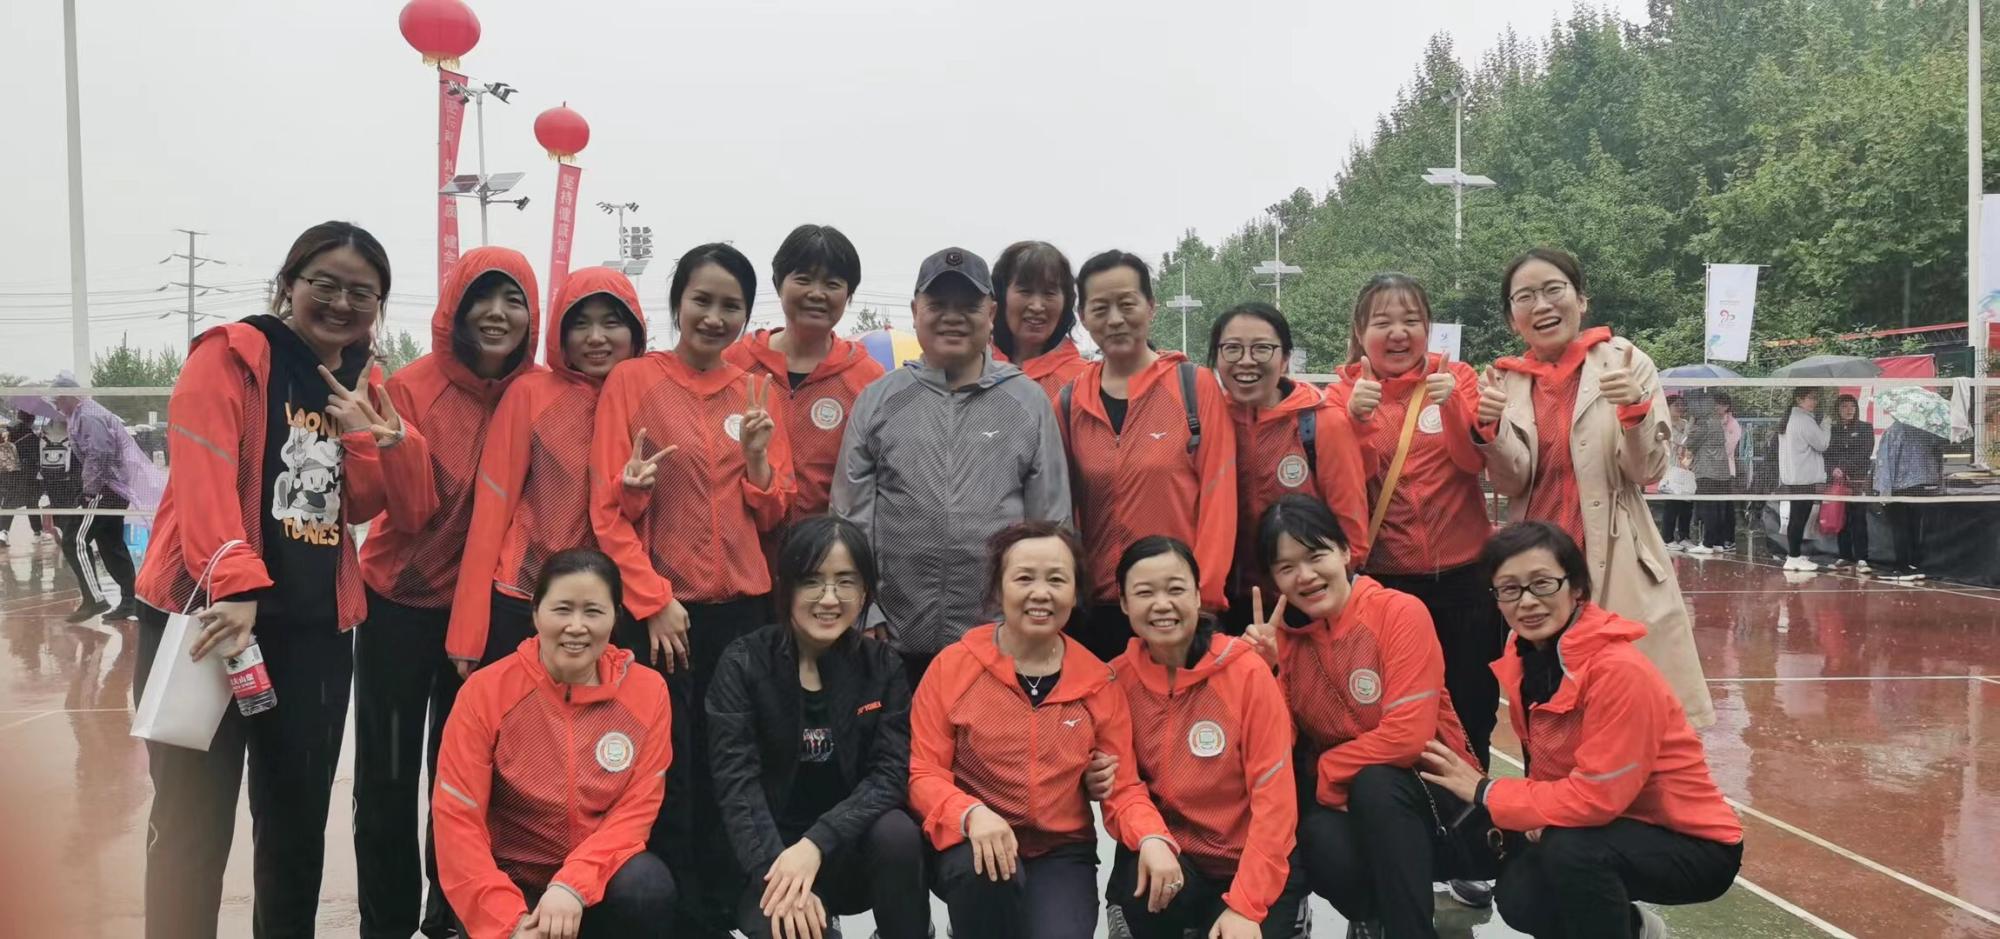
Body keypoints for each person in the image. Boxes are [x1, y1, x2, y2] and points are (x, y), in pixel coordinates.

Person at [132, 220, 416, 937]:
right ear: (289, 284)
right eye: (325, 284)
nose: (342, 303)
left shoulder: (365, 379)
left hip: (312, 631)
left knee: (295, 822)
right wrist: (235, 584)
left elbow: (368, 505)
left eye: (363, 292)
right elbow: (202, 476)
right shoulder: (230, 354)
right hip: (208, 619)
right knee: (190, 820)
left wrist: (365, 432)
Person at [590, 241, 793, 934]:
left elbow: (776, 513)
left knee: (734, 759)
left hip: (744, 613)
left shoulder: (755, 392)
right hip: (663, 614)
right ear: (677, 302)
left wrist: (759, 462)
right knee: (667, 762)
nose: (714, 316)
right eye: (701, 300)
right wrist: (653, 600)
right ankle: (670, 907)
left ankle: (728, 900)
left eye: (730, 305)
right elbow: (607, 512)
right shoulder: (633, 382)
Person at [1418, 522, 1744, 939]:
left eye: (1542, 583)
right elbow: (1547, 760)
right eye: (1510, 589)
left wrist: (1487, 791)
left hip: (1690, 841)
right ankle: (1634, 928)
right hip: (1603, 825)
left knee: (1570, 852)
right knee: (1520, 894)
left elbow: (1597, 799)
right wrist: (1539, 813)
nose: (1527, 601)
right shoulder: (1523, 654)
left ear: (1576, 588)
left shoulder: (1618, 672)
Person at [355, 245, 542, 939]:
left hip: (490, 614)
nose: (496, 313)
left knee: (465, 776)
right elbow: (397, 511)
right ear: (455, 309)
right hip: (400, 607)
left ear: (532, 314)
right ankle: (386, 921)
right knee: (388, 774)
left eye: (513, 300)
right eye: (480, 298)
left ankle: (452, 915)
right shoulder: (410, 388)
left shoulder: (536, 393)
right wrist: (395, 446)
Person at [1474, 247, 1713, 729]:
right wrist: (1490, 430)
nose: (1542, 305)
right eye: (1525, 297)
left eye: (1553, 290)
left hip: (1617, 554)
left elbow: (1647, 471)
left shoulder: (1625, 361)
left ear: (1581, 300)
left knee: (1628, 706)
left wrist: (1635, 415)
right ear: (1512, 318)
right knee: (1548, 702)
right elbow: (1511, 480)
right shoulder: (1506, 382)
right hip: (1539, 569)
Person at [908, 520, 1179, 939]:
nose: (1040, 593)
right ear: (998, 589)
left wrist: (1152, 838)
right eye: (1024, 579)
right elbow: (923, 772)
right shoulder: (953, 667)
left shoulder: (1097, 681)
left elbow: (1123, 787)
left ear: (1075, 592)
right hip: (972, 842)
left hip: (1059, 850)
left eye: (1056, 579)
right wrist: (969, 814)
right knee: (987, 878)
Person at [1243, 494, 1493, 939]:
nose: (1305, 576)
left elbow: (1408, 738)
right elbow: (1277, 743)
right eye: (1286, 567)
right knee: (1316, 836)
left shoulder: (1398, 613)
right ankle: (1373, 916)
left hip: (1440, 803)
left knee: (1376, 783)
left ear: (1344, 551)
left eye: (1315, 556)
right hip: (1349, 805)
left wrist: (1329, 771)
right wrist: (1266, 673)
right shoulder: (1287, 640)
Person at [833, 246, 1070, 685]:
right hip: (890, 638)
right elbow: (850, 520)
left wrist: (1031, 615)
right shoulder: (879, 400)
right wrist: (864, 608)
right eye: (938, 304)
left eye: (968, 306)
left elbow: (1050, 526)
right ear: (915, 311)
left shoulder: (1027, 402)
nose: (952, 317)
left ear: (991, 313)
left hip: (996, 639)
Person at [433, 548, 678, 939]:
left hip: (594, 883)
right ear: (535, 613)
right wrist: (509, 923)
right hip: (510, 883)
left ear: (615, 617)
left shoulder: (647, 692)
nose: (576, 627)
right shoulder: (485, 692)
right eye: (562, 609)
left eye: (593, 612)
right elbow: (457, 819)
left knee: (648, 887)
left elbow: (636, 812)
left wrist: (572, 885)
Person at [706, 516, 928, 939]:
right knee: (796, 929)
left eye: (846, 582)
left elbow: (888, 775)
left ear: (865, 592)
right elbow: (737, 784)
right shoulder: (744, 663)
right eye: (812, 582)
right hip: (769, 853)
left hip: (847, 844)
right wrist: (781, 874)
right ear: (786, 587)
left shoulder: (882, 665)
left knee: (898, 834)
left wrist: (817, 843)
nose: (829, 598)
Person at [1324, 274, 1506, 782]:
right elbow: (1347, 485)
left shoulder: (1456, 377)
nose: (1399, 333)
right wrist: (1353, 423)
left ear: (1428, 328)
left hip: (1467, 578)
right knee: (1398, 713)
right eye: (1383, 322)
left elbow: (1471, 462)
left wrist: (1454, 406)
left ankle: (1471, 814)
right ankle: (1410, 812)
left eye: (1412, 321)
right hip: (1388, 583)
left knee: (1472, 706)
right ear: (1360, 332)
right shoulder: (1340, 394)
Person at [1096, 536, 1299, 939]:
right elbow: (1122, 785)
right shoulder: (1116, 680)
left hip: (1246, 862)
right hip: (1173, 856)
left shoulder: (1246, 672)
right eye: (1144, 592)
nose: (1162, 604)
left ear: (1197, 595)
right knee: (1141, 884)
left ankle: (1288, 915)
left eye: (1175, 589)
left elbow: (1274, 800)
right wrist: (1151, 838)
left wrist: (1246, 906)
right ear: (1123, 603)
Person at [447, 267, 648, 672]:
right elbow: (492, 510)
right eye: (580, 325)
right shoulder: (530, 394)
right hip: (526, 596)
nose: (595, 338)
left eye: (611, 323)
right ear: (560, 334)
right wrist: (467, 633)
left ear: (635, 332)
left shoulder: (648, 396)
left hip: (617, 601)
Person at [1058, 250, 1236, 661]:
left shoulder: (1194, 387)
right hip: (1100, 609)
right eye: (1100, 308)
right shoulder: (1069, 403)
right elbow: (1062, 511)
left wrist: (1204, 596)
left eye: (1127, 304)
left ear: (1151, 306)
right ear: (1083, 318)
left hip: (1178, 605)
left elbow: (1219, 496)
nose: (1115, 319)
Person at [725, 224, 885, 565]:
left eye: (832, 284)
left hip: (824, 567)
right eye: (803, 279)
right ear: (778, 284)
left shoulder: (868, 379)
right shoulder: (733, 363)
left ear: (849, 295)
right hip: (740, 563)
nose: (817, 293)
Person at [1210, 301, 1368, 634]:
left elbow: (1351, 532)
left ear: (1284, 359)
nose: (1246, 360)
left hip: (1306, 605)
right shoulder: (1206, 422)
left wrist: (1318, 598)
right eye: (1232, 349)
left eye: (1262, 348)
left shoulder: (1322, 423)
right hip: (1227, 607)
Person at [50, 374, 140, 622]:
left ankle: (94, 599)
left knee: (74, 540)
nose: (56, 405)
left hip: (103, 489)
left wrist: (89, 491)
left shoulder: (88, 416)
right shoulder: (84, 414)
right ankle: (131, 600)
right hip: (112, 488)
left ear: (69, 396)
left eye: (58, 400)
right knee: (111, 545)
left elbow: (99, 454)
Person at [989, 240, 1088, 398]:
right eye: (1025, 291)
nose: (1037, 306)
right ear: (1001, 296)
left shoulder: (1085, 381)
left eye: (1049, 293)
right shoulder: (972, 371)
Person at [1874, 418, 1943, 582]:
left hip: (1900, 488)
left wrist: (1884, 492)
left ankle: (1902, 567)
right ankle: (1915, 564)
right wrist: (1938, 483)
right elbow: (1938, 456)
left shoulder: (1894, 431)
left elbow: (1885, 461)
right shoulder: (1927, 430)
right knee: (1915, 526)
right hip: (1923, 487)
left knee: (1900, 528)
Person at [1775, 388, 1830, 572]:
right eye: (1811, 398)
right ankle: (1794, 557)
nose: (1815, 402)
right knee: (1799, 518)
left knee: (1797, 517)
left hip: (1794, 476)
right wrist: (1826, 425)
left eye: (1816, 398)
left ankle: (1794, 554)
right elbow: (1822, 444)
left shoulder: (1790, 418)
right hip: (1803, 477)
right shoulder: (1803, 420)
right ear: (1799, 400)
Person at [1823, 393, 1875, 573]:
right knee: (1841, 517)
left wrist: (1844, 468)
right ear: (1838, 409)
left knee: (1858, 518)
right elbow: (1826, 454)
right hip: (1837, 482)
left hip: (1857, 481)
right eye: (1844, 406)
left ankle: (1862, 558)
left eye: (1852, 406)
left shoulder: (1865, 428)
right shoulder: (1832, 429)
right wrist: (1833, 469)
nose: (1849, 410)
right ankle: (1844, 556)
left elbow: (1864, 453)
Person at [1, 410, 44, 547]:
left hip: (7, 474)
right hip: (28, 475)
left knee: (9, 503)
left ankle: (3, 532)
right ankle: (37, 532)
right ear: (31, 420)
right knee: (32, 503)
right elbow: (38, 458)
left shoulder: (6, 433)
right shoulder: (32, 437)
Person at [1658, 396, 1696, 550]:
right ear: (1667, 407)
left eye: (1682, 405)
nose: (1680, 408)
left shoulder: (1686, 424)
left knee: (1686, 504)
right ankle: (1667, 539)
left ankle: (1684, 537)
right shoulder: (1663, 425)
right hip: (1671, 467)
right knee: (1672, 505)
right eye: (1676, 405)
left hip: (1686, 468)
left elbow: (1691, 443)